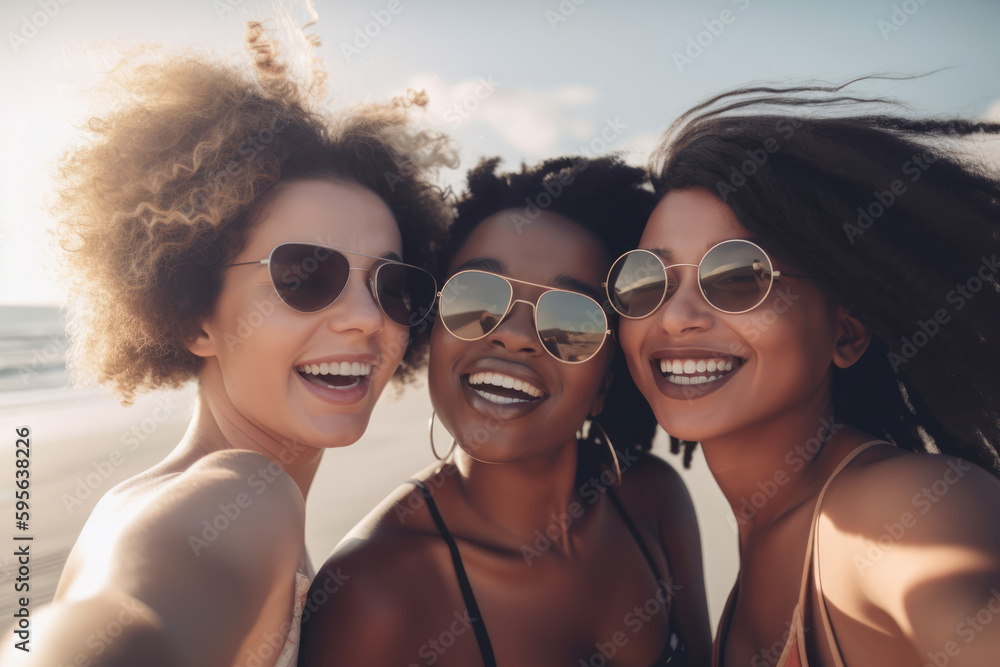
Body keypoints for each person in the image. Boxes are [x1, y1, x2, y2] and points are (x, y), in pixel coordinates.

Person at [4, 21, 455, 667]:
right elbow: (121, 623)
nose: (365, 316)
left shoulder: (140, 497)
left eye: (393, 285)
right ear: (194, 316)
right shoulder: (245, 494)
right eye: (306, 274)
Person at [606, 82, 1000, 666]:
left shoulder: (895, 511)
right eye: (646, 281)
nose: (677, 317)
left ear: (845, 332)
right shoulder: (758, 543)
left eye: (738, 275)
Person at [299, 155, 713, 667]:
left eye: (572, 318)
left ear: (607, 377)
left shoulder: (653, 501)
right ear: (433, 333)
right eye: (475, 298)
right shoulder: (373, 590)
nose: (515, 335)